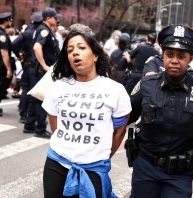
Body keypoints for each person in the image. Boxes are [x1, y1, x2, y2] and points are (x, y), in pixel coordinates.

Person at [41, 23, 131, 198]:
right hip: (56, 164)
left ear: (95, 55)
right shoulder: (59, 87)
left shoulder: (115, 90)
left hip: (94, 168)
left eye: (81, 48)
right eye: (69, 50)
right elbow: (55, 123)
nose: (75, 52)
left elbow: (120, 130)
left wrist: (101, 155)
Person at [128, 24, 193, 198]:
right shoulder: (146, 85)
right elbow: (124, 118)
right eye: (169, 55)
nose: (174, 60)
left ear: (190, 58)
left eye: (181, 56)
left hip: (180, 173)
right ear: (163, 56)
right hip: (146, 168)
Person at [23, 8, 59, 138]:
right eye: (55, 18)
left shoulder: (41, 29)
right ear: (48, 18)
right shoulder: (44, 30)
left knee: (35, 98)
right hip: (41, 70)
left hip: (36, 68)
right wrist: (44, 65)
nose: (56, 20)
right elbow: (37, 47)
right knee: (43, 98)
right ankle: (40, 128)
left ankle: (29, 125)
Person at [12, 12, 43, 123]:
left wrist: (19, 55)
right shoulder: (42, 33)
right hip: (39, 64)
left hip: (27, 62)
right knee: (35, 90)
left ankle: (24, 113)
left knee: (26, 88)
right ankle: (31, 115)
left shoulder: (27, 33)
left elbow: (14, 44)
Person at [0, 12, 14, 117]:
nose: (11, 22)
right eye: (10, 20)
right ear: (6, 21)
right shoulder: (1, 35)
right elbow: (4, 54)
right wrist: (8, 69)